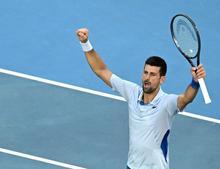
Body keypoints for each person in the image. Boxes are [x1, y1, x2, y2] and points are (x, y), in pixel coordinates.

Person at [76, 28, 206, 169]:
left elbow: (186, 98)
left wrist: (195, 82)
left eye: (152, 74)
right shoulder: (132, 92)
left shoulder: (166, 103)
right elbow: (101, 70)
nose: (147, 78)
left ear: (162, 79)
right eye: (145, 72)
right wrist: (85, 43)